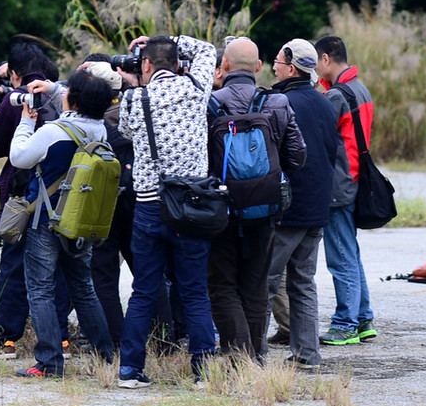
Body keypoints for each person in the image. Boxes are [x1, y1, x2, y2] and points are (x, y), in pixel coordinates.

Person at [114, 34, 218, 388]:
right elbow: (207, 51)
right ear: (177, 63)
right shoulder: (195, 87)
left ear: (145, 66)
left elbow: (126, 131)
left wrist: (133, 86)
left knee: (144, 290)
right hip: (190, 206)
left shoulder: (134, 98)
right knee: (194, 290)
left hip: (148, 207)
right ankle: (203, 372)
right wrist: (169, 40)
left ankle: (130, 369)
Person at [8, 69, 117, 378]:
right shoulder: (102, 131)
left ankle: (49, 361)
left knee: (41, 290)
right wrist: (57, 90)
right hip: (80, 220)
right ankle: (105, 354)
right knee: (83, 287)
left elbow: (19, 158)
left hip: (46, 218)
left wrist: (26, 122)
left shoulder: (53, 132)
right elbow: (79, 103)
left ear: (74, 99)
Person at [205, 37, 306, 361]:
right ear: (259, 67)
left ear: (225, 67)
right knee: (256, 284)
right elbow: (297, 155)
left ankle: (239, 355)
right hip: (264, 208)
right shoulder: (276, 102)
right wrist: (267, 178)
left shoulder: (210, 103)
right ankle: (256, 356)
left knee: (222, 285)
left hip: (222, 209)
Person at [0, 43, 70, 359]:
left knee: (14, 267)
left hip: (23, 196)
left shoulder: (18, 100)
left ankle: (6, 340)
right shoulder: (62, 93)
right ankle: (62, 340)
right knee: (57, 268)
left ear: (14, 74)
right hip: (63, 194)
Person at [262, 38, 339, 367]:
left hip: (288, 208)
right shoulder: (325, 102)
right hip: (317, 208)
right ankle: (307, 354)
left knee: (264, 280)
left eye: (277, 62)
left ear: (291, 67)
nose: (274, 67)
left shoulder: (280, 102)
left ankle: (253, 352)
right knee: (303, 282)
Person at [314, 35, 377, 345]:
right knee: (350, 252)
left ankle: (345, 324)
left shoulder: (336, 95)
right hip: (354, 178)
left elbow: (318, 134)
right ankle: (363, 318)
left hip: (338, 183)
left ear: (326, 59)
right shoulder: (360, 88)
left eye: (316, 61)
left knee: (340, 257)